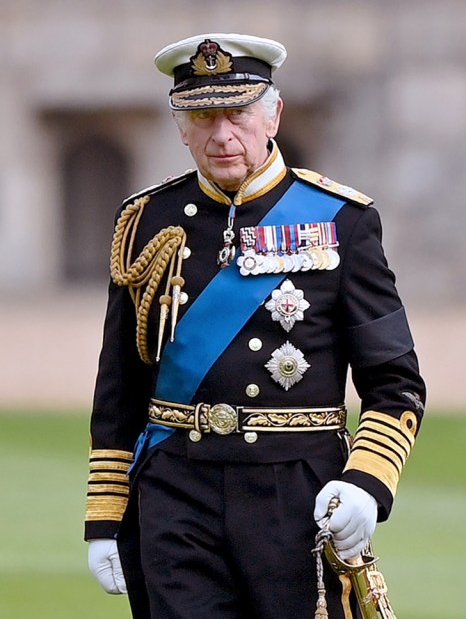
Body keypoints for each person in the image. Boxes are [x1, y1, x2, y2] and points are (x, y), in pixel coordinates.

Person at [84, 33, 426, 618]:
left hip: (295, 493)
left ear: (273, 115)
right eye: (202, 115)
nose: (222, 135)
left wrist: (368, 482)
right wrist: (105, 513)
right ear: (180, 126)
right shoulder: (145, 221)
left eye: (238, 113)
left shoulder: (341, 219)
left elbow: (396, 383)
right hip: (174, 490)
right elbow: (120, 381)